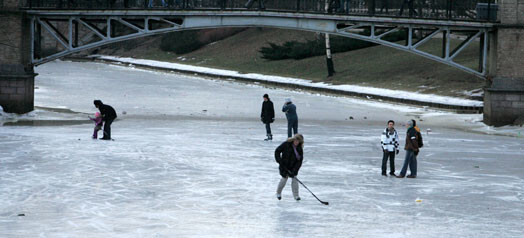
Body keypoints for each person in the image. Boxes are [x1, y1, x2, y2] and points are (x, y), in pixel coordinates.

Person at [274, 134, 304, 201]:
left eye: (298, 141)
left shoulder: (299, 149)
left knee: (295, 180)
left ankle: (296, 195)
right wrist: (280, 161)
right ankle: (278, 193)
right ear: (293, 139)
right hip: (284, 165)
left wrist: (294, 170)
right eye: (296, 140)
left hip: (293, 167)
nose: (296, 142)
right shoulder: (286, 144)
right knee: (284, 179)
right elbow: (277, 151)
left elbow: (299, 161)